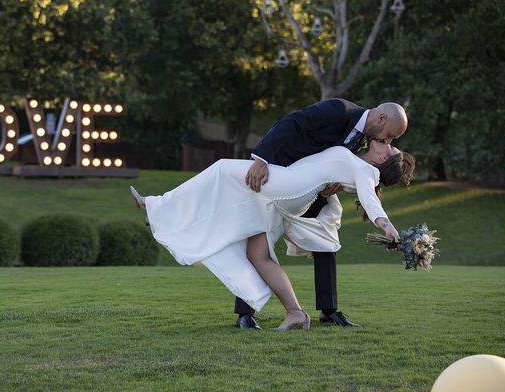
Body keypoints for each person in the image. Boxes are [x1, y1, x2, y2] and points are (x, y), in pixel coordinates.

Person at [131, 140, 415, 330]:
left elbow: (371, 201)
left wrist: (386, 225)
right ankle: (295, 313)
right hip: (284, 192)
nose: (385, 142)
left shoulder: (367, 172)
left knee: (220, 169)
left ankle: (155, 204)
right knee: (257, 254)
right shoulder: (357, 158)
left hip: (286, 186)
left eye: (389, 146)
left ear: (382, 159)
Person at [239, 99, 408, 329]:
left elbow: (351, 175)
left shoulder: (366, 140)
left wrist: (334, 183)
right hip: (278, 174)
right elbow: (292, 122)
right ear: (380, 119)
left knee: (327, 241)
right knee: (255, 241)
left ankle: (328, 311)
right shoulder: (339, 110)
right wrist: (261, 159)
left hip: (308, 193)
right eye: (389, 136)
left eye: (391, 142)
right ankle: (245, 313)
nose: (387, 142)